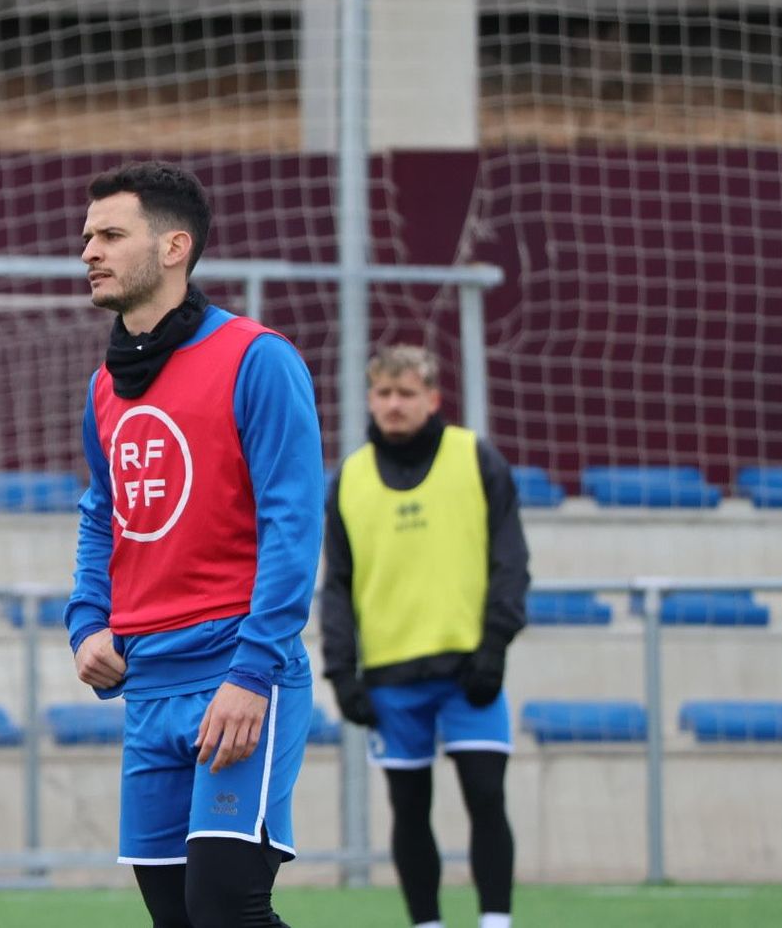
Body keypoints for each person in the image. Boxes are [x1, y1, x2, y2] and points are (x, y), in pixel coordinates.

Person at [64, 161, 324, 928]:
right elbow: (99, 511)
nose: (89, 251)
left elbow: (294, 520)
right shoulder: (105, 387)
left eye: (112, 234)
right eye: (87, 236)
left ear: (175, 246)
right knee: (177, 918)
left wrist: (252, 669)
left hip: (237, 671)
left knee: (226, 908)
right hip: (148, 685)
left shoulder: (258, 357)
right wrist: (87, 620)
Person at [320, 344, 531, 928]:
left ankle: (495, 920)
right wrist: (341, 673)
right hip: (389, 677)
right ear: (369, 398)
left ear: (432, 398)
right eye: (383, 394)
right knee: (408, 808)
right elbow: (335, 585)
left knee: (486, 795)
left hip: (470, 671)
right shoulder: (349, 479)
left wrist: (494, 648)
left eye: (406, 393)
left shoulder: (476, 458)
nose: (394, 405)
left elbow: (510, 562)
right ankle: (427, 923)